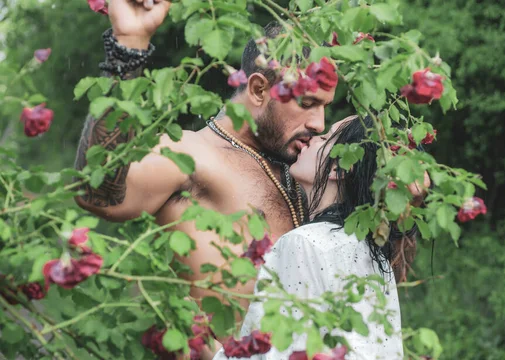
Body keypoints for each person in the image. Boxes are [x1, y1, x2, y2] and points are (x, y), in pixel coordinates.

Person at [74, 0, 335, 309]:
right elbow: (96, 190)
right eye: (307, 104)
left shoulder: (303, 170)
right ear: (259, 90)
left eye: (325, 107)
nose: (319, 123)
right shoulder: (192, 154)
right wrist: (127, 46)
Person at [213, 115, 423, 359]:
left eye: (325, 138)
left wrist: (202, 343)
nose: (312, 139)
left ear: (340, 167)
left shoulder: (305, 243)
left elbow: (273, 353)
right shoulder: (374, 255)